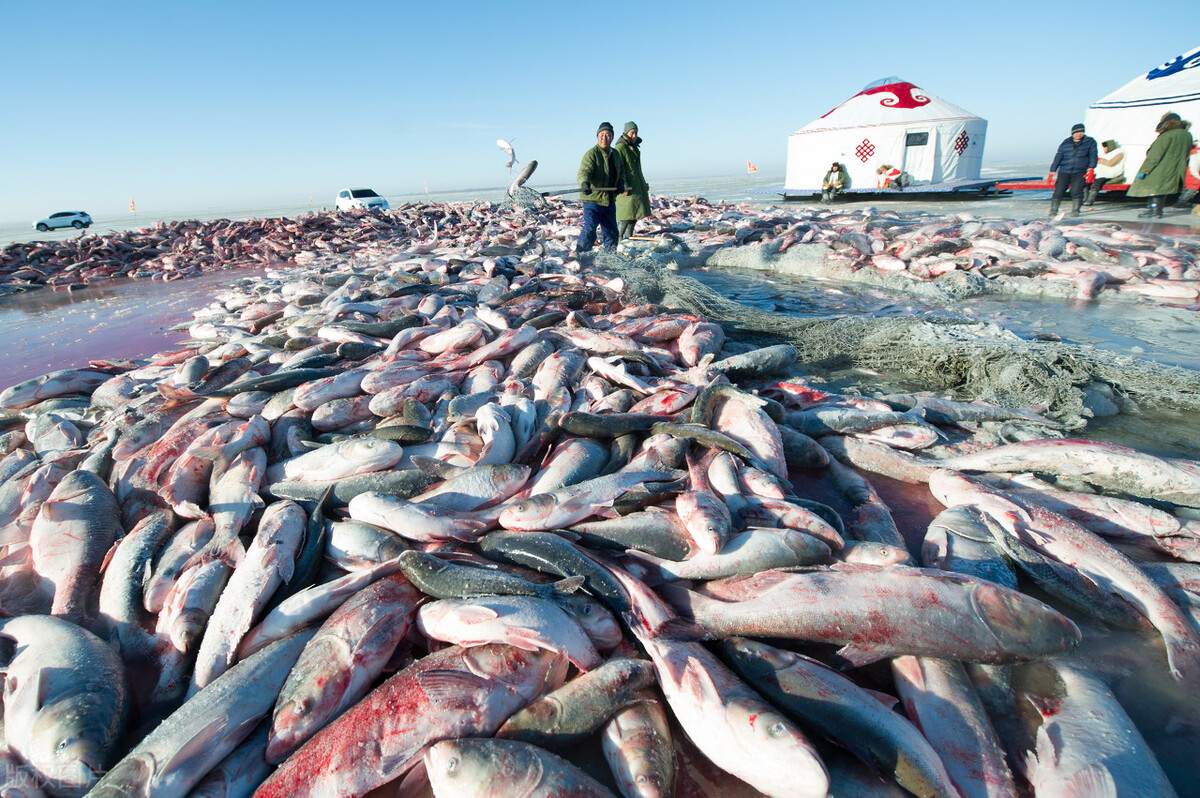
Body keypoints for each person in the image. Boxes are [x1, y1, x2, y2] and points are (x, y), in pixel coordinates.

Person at [1129, 112, 1194, 219]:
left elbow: (1154, 156)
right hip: (1175, 168)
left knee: (1154, 190)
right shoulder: (1186, 134)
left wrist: (1144, 171)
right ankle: (1157, 211)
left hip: (1160, 168)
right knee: (1162, 190)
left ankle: (1153, 211)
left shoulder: (1167, 136)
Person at [575, 122, 626, 254]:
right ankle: (580, 253)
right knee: (590, 229)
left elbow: (622, 173)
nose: (604, 138)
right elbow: (584, 172)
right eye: (602, 135)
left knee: (611, 231)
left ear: (612, 137)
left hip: (609, 200)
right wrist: (584, 183)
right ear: (597, 137)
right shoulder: (591, 154)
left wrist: (621, 183)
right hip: (593, 199)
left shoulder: (616, 155)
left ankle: (610, 255)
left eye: (608, 135)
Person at [1048, 123, 1098, 217]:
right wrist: (1053, 170)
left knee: (1077, 191)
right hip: (1064, 170)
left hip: (1080, 171)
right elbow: (1059, 156)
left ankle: (1075, 210)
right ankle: (1053, 210)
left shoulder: (1090, 142)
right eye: (1077, 132)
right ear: (1072, 133)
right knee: (1059, 191)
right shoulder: (1066, 143)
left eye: (1081, 132)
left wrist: (1091, 168)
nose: (1079, 134)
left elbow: (1093, 155)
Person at [614, 122, 650, 240]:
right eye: (632, 133)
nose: (634, 135)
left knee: (634, 216)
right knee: (625, 217)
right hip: (627, 190)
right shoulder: (620, 148)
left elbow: (637, 170)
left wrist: (643, 184)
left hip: (636, 187)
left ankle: (628, 241)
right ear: (626, 133)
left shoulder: (634, 148)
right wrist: (623, 184)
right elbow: (618, 168)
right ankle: (617, 243)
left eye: (636, 133)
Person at [1085, 139, 1124, 206]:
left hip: (1110, 173)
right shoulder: (1105, 154)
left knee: (1096, 183)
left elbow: (1111, 163)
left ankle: (1090, 200)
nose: (1104, 149)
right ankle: (1084, 199)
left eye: (1104, 147)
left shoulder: (1119, 153)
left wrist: (1100, 160)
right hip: (1100, 173)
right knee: (1085, 183)